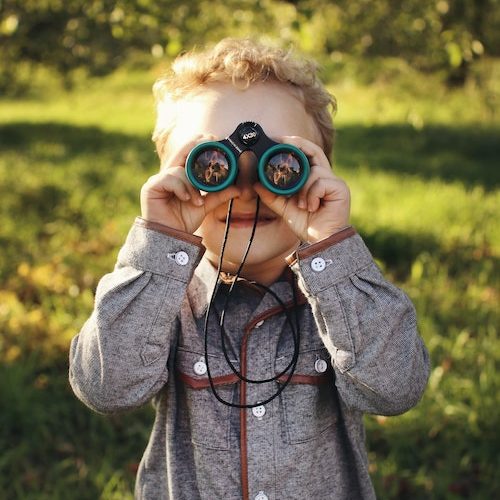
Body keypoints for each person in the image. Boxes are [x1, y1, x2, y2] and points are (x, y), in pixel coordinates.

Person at [69, 38, 430, 500]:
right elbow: (105, 388)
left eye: (276, 165)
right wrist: (160, 247)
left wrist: (329, 247)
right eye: (211, 164)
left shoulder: (338, 299)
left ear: (315, 172)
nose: (245, 190)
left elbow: (395, 389)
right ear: (171, 173)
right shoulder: (166, 301)